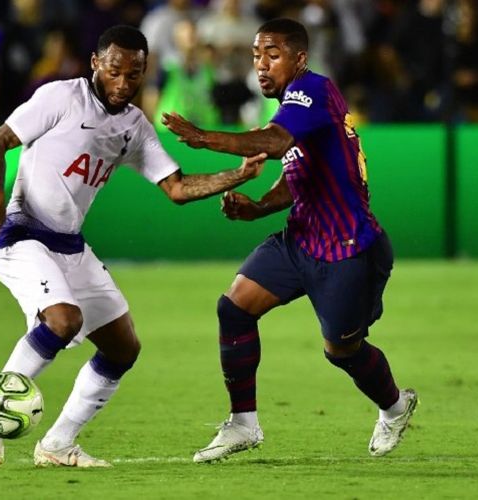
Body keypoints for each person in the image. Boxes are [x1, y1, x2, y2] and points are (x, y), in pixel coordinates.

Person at [0, 25, 267, 468]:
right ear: (95, 64)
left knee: (123, 348)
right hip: (22, 234)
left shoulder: (133, 126)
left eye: (135, 74)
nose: (123, 83)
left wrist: (236, 175)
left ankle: (58, 444)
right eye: (114, 71)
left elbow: (177, 188)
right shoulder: (61, 98)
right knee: (64, 320)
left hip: (69, 245)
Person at [162, 18, 417, 463]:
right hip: (300, 240)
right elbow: (295, 175)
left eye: (273, 55)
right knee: (234, 308)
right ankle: (243, 424)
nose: (261, 64)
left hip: (348, 249)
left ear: (299, 59)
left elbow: (277, 144)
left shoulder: (312, 90)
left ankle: (395, 406)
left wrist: (205, 138)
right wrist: (258, 208)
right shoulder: (291, 106)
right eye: (257, 55)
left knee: (341, 350)